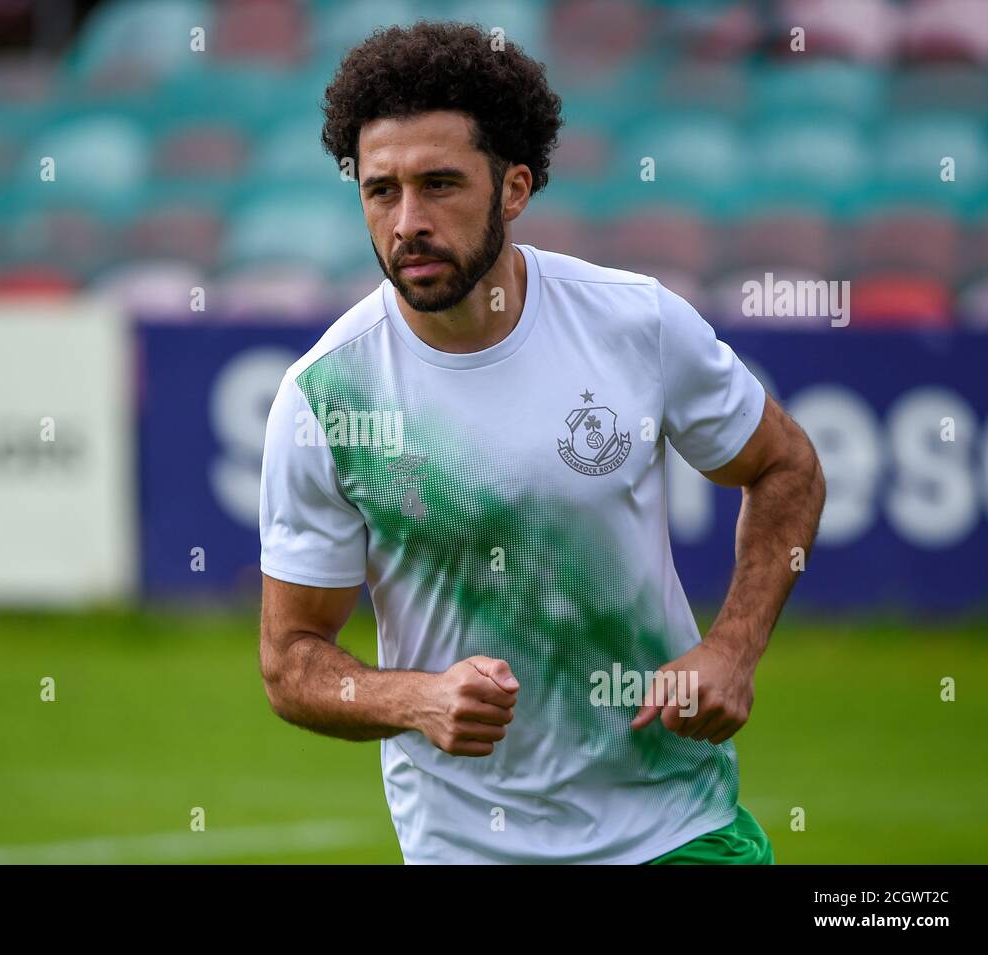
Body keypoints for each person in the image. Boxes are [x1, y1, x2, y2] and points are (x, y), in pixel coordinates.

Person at [258, 21, 825, 864]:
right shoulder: (325, 394)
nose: (407, 221)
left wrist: (732, 647)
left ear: (515, 187)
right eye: (381, 191)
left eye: (440, 183)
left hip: (676, 826)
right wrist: (417, 698)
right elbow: (291, 660)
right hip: (465, 847)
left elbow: (787, 468)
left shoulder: (636, 322)